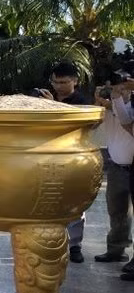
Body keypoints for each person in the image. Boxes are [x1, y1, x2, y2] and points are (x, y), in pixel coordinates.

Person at [34, 61, 88, 263]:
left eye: (63, 82)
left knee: (74, 202)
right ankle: (49, 242)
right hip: (48, 157)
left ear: (74, 81)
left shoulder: (81, 100)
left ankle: (74, 246)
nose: (58, 86)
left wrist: (52, 106)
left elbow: (74, 122)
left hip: (73, 157)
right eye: (55, 82)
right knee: (48, 201)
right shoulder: (48, 97)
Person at [92, 80, 134, 268]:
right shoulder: (106, 112)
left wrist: (117, 102)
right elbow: (91, 125)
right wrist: (97, 102)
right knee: (117, 211)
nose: (117, 92)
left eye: (123, 88)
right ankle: (115, 250)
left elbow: (126, 121)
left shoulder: (130, 110)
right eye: (115, 89)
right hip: (117, 168)